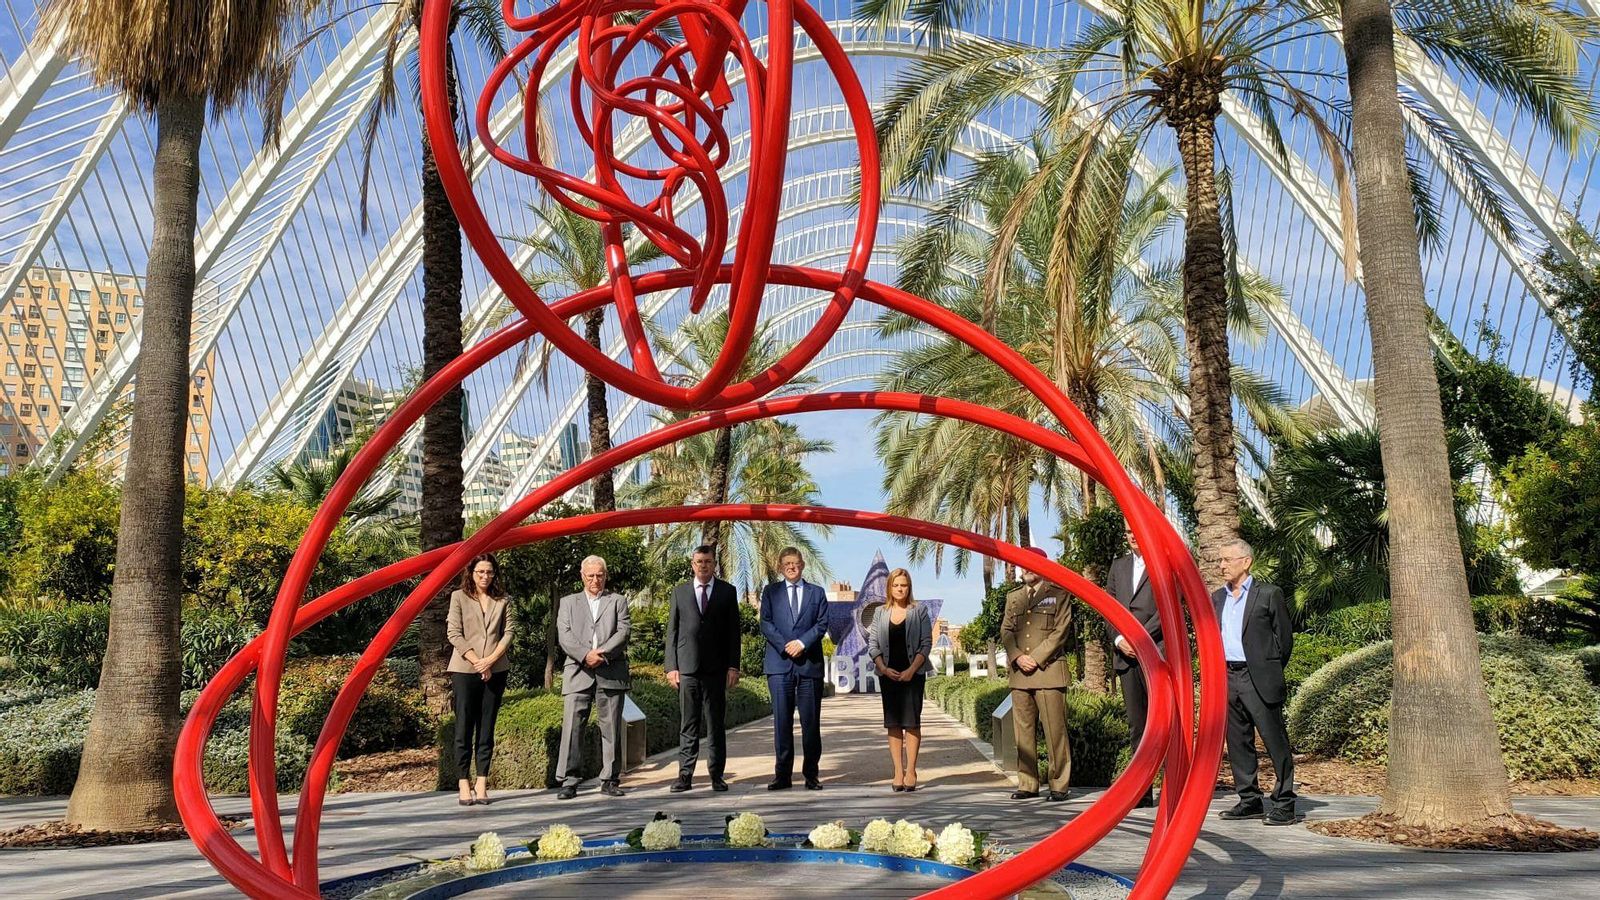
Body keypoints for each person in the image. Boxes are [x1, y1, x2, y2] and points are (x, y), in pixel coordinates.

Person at [1212, 538, 1298, 826]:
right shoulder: (1217, 598)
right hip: (1228, 677)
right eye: (1220, 560)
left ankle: (1285, 802)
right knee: (1237, 742)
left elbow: (1284, 640)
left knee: (1275, 741)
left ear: (1245, 562)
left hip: (1258, 677)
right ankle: (1249, 800)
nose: (1221, 565)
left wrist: (1268, 669)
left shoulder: (1269, 594)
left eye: (1227, 559)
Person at [665, 545, 741, 792]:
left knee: (716, 725)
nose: (703, 565)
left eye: (707, 561)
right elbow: (672, 633)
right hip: (687, 669)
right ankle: (685, 775)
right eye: (699, 561)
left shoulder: (727, 592)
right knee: (688, 724)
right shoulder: (679, 592)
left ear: (714, 563)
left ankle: (717, 775)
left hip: (717, 670)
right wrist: (671, 667)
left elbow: (733, 633)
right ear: (692, 564)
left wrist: (733, 666)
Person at [555, 554, 631, 800]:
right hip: (578, 672)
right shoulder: (568, 602)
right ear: (582, 576)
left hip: (610, 671)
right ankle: (569, 780)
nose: (595, 580)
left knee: (611, 728)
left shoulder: (618, 600)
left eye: (599, 575)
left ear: (605, 576)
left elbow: (623, 631)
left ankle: (609, 778)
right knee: (572, 727)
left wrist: (602, 653)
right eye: (590, 576)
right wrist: (585, 655)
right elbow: (564, 635)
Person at [1000, 547, 1073, 801]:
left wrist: (1036, 657)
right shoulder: (1014, 597)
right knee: (1023, 732)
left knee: (1055, 731)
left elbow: (1060, 631)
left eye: (1032, 565)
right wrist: (1018, 656)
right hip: (1021, 673)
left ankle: (1059, 784)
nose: (1027, 569)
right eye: (1024, 565)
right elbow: (1007, 630)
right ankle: (1027, 783)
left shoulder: (1058, 594)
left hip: (1049, 670)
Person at [446, 553, 515, 806]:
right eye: (480, 572)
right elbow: (454, 632)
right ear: (471, 573)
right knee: (464, 726)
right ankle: (463, 781)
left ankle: (482, 781)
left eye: (489, 572)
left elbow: (508, 633)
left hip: (496, 669)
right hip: (465, 669)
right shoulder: (459, 597)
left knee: (487, 728)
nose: (485, 576)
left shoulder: (503, 600)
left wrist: (490, 661)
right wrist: (477, 661)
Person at [759, 546, 828, 790]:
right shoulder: (770, 592)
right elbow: (765, 623)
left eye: (795, 562)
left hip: (809, 666)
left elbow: (821, 625)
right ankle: (783, 776)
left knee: (811, 723)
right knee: (782, 722)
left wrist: (801, 643)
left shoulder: (817, 593)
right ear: (780, 566)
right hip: (779, 666)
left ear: (803, 565)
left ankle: (811, 775)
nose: (791, 566)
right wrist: (785, 645)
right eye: (787, 563)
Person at [1108, 527, 1163, 809]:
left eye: (1135, 530)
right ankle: (1142, 791)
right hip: (1126, 656)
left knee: (1163, 722)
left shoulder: (1162, 563)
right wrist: (1119, 639)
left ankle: (1169, 785)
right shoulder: (1119, 566)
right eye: (1127, 531)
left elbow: (1167, 609)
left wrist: (1139, 638)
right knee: (1137, 725)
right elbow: (1107, 607)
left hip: (1154, 653)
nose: (1131, 535)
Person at [866, 567, 933, 792]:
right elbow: (873, 644)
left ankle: (911, 770)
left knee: (912, 722)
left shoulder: (919, 610)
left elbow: (926, 643)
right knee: (893, 723)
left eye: (903, 585)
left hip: (913, 675)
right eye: (895, 585)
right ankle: (897, 771)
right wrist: (883, 669)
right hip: (888, 675)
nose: (899, 589)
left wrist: (912, 669)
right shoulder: (880, 613)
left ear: (909, 587)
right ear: (889, 588)